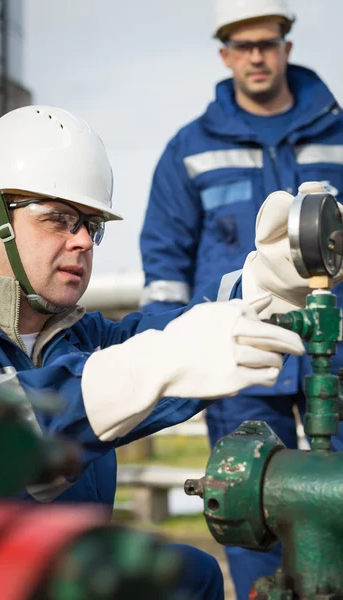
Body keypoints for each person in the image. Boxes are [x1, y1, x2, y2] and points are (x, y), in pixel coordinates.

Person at [0, 105, 306, 600]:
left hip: (58, 571)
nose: (83, 242)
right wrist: (146, 368)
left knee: (192, 578)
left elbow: (170, 336)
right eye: (60, 219)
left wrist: (269, 285)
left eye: (92, 226)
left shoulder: (75, 338)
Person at [139, 0, 343, 596]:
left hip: (338, 350)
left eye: (267, 42)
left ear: (287, 47)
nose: (256, 55)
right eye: (242, 45)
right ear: (224, 53)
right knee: (250, 502)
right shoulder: (189, 150)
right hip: (243, 354)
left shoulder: (338, 134)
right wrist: (176, 345)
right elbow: (165, 256)